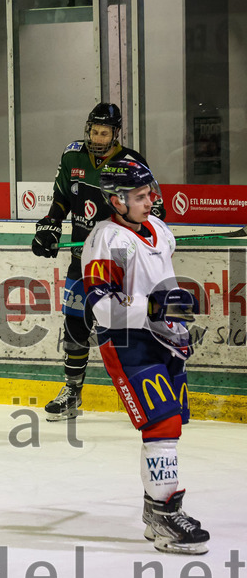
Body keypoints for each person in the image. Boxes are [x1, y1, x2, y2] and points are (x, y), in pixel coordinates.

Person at [82, 157, 208, 555]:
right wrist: (154, 308)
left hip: (165, 340)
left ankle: (158, 513)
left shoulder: (158, 229)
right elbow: (101, 306)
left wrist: (175, 321)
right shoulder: (107, 241)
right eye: (139, 196)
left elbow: (160, 286)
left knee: (170, 427)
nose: (150, 200)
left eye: (150, 192)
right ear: (116, 201)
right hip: (127, 342)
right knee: (162, 421)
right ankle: (165, 517)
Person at [31, 103, 164, 421]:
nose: (98, 137)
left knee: (124, 329)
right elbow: (62, 198)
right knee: (75, 325)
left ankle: (152, 393)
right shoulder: (73, 156)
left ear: (116, 133)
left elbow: (154, 212)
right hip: (82, 259)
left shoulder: (131, 163)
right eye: (94, 130)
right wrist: (50, 226)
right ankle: (71, 393)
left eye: (104, 132)